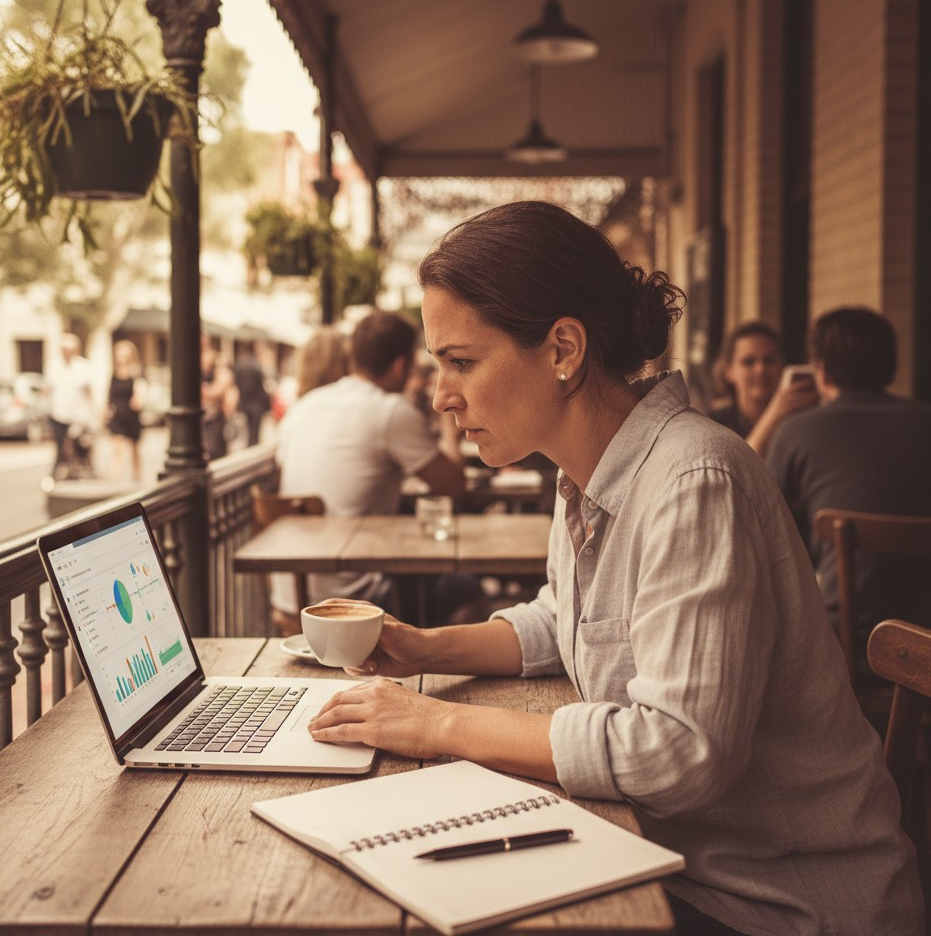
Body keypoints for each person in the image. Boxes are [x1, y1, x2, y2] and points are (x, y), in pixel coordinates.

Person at [305, 202, 923, 936]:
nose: (441, 395)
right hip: (671, 861)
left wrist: (435, 721)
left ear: (563, 349)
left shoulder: (694, 479)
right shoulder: (590, 476)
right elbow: (563, 615)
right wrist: (425, 648)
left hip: (778, 903)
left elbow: (680, 750)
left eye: (461, 361)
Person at [275, 310, 472, 632]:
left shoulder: (304, 406)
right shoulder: (389, 410)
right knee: (466, 589)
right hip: (355, 606)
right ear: (400, 365)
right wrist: (447, 423)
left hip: (290, 602)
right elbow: (454, 486)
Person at [766, 307, 931, 676]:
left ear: (820, 370)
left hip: (845, 640)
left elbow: (760, 529)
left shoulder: (797, 432)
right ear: (891, 364)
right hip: (926, 635)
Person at [708, 320, 818, 456]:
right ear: (729, 372)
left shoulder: (801, 421)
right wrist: (775, 412)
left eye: (769, 360)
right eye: (749, 362)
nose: (760, 370)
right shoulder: (712, 424)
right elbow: (737, 469)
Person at [44, 332, 94, 480]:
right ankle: (58, 473)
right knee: (61, 446)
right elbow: (47, 389)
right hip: (59, 414)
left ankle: (83, 470)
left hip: (78, 416)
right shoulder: (53, 366)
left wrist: (91, 413)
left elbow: (88, 392)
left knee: (81, 446)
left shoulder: (83, 366)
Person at [105, 339, 147, 481]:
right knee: (116, 447)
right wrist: (106, 410)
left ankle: (137, 477)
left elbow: (141, 389)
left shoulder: (136, 371)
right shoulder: (114, 372)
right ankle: (116, 479)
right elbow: (110, 394)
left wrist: (139, 398)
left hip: (132, 414)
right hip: (118, 415)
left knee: (134, 448)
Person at [200, 335, 236, 461]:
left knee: (214, 452)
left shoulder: (216, 360)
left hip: (214, 417)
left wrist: (204, 391)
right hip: (201, 418)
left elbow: (222, 386)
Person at [232, 342, 271, 447]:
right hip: (257, 404)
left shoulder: (239, 365)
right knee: (255, 431)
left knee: (247, 429)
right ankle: (253, 445)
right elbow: (263, 383)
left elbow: (235, 382)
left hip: (244, 402)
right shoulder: (256, 365)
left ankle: (249, 445)